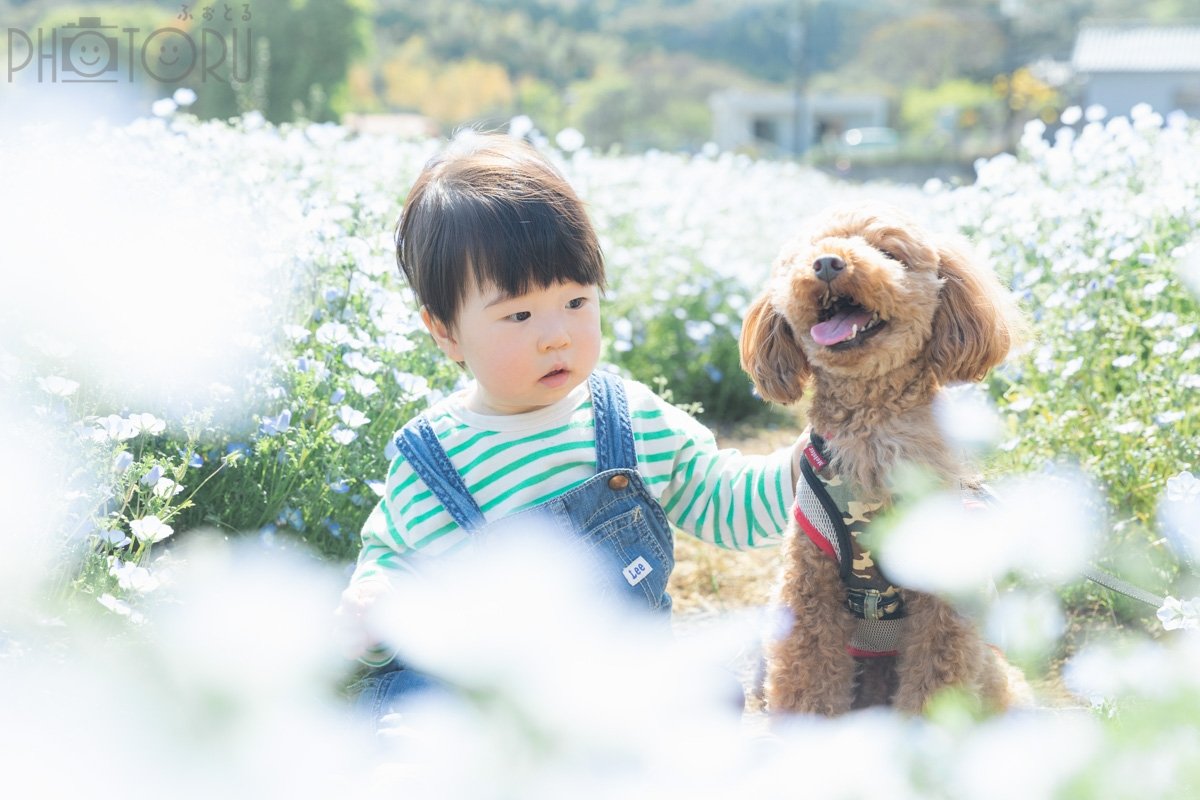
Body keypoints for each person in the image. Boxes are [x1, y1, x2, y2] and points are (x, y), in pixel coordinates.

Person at [337, 131, 803, 726]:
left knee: (706, 689)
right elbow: (393, 563)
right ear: (445, 331)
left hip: (613, 684)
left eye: (577, 302)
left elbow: (724, 501)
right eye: (519, 314)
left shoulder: (630, 419)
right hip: (490, 704)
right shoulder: (431, 458)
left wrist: (802, 465)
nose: (556, 333)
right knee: (409, 711)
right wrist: (375, 611)